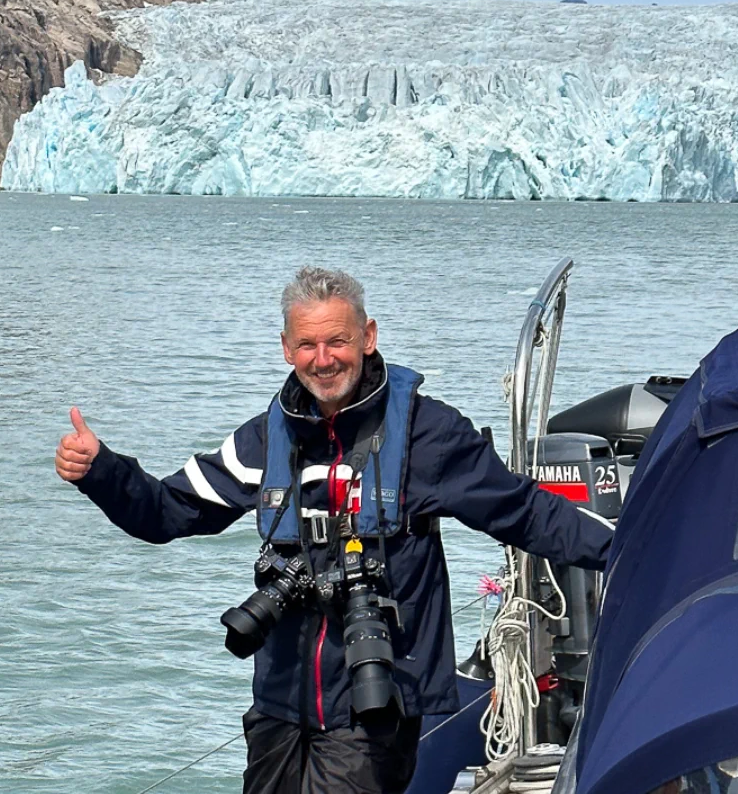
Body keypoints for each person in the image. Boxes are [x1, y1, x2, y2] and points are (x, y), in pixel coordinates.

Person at [55, 266, 612, 794]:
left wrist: (625, 548)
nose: (323, 360)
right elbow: (165, 512)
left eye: (337, 341)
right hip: (280, 703)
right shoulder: (265, 440)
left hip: (375, 703)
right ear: (286, 348)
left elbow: (525, 513)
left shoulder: (429, 435)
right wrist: (101, 470)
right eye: (307, 345)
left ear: (367, 337)